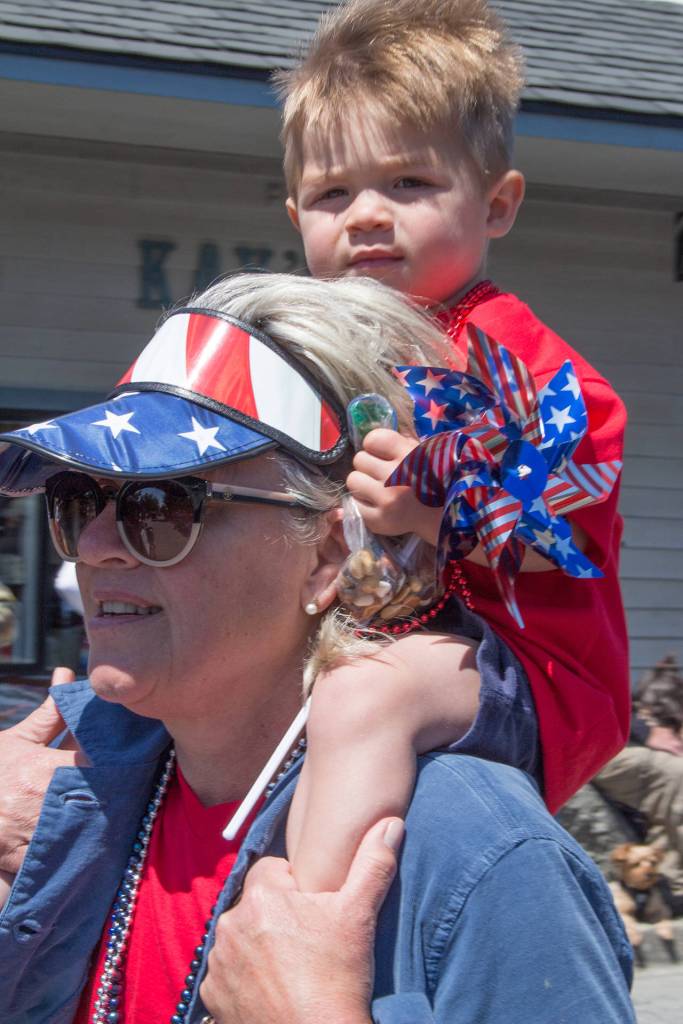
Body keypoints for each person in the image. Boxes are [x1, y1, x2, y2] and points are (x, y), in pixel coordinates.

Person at [0, 273, 634, 1022]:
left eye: (161, 505)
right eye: (81, 500)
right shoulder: (52, 798)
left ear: (330, 554)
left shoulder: (476, 854)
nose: (96, 547)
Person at [272, 0, 629, 890]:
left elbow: (578, 488)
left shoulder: (501, 354)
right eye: (331, 193)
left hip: (533, 672)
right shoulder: (317, 352)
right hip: (384, 638)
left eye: (407, 185)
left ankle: (307, 935)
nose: (364, 215)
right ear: (294, 215)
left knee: (363, 696)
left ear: (496, 204)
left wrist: (443, 507)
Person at [594, 655, 683, 916]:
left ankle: (665, 883)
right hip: (602, 751)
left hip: (624, 748)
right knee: (673, 772)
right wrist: (650, 728)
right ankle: (671, 884)